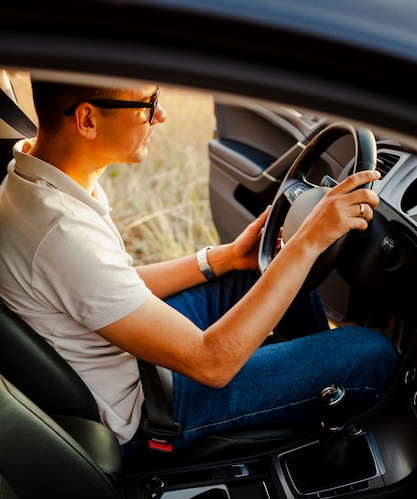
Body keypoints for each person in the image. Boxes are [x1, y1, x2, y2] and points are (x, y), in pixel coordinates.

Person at [0, 80, 399, 459]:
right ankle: (322, 387)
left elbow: (112, 287)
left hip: (132, 354)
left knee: (257, 271)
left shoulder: (35, 180)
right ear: (87, 120)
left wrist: (224, 258)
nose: (161, 116)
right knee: (371, 353)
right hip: (149, 411)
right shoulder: (62, 232)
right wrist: (308, 241)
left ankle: (312, 393)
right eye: (148, 104)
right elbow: (211, 363)